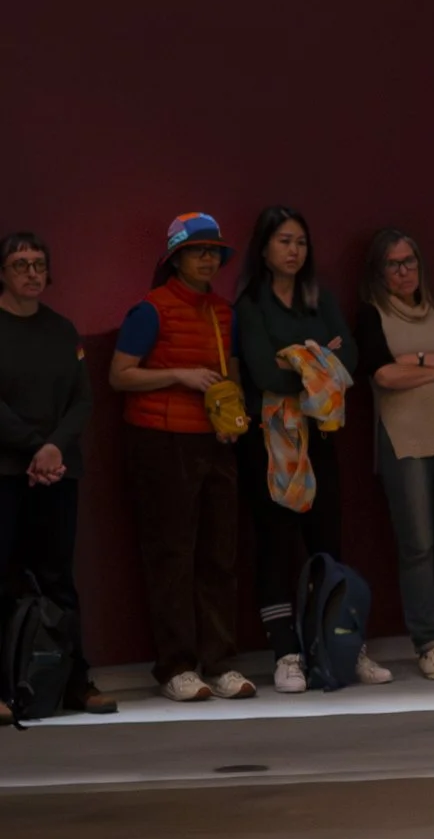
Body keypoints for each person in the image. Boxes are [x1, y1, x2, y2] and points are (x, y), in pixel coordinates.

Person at [235, 204, 389, 693]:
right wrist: (318, 357)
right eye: (284, 240)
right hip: (270, 441)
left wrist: (304, 358)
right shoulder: (250, 306)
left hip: (319, 437)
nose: (294, 250)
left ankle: (340, 644)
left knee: (328, 544)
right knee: (276, 546)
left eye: (300, 241)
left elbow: (351, 360)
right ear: (263, 248)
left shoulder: (319, 298)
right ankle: (286, 653)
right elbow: (264, 371)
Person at [109, 211, 256, 701]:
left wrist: (233, 416)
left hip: (213, 441)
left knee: (219, 554)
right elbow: (120, 375)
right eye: (198, 251)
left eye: (214, 251)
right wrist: (180, 375)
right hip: (161, 440)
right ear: (176, 258)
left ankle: (220, 662)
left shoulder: (224, 311)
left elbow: (229, 370)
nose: (208, 258)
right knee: (172, 555)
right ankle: (177, 666)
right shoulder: (150, 310)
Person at [355, 227, 434, 684]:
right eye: (393, 264)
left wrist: (419, 363)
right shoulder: (372, 315)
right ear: (379, 270)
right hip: (403, 440)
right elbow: (383, 374)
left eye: (409, 261)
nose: (404, 271)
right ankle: (427, 641)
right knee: (418, 546)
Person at [0, 230, 115, 720]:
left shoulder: (64, 331)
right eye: (20, 264)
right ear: (2, 273)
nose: (31, 272)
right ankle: (4, 689)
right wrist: (33, 447)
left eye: (39, 264)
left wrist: (52, 448)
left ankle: (74, 682)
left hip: (57, 472)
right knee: (4, 578)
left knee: (58, 582)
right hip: (7, 472)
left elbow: (81, 401)